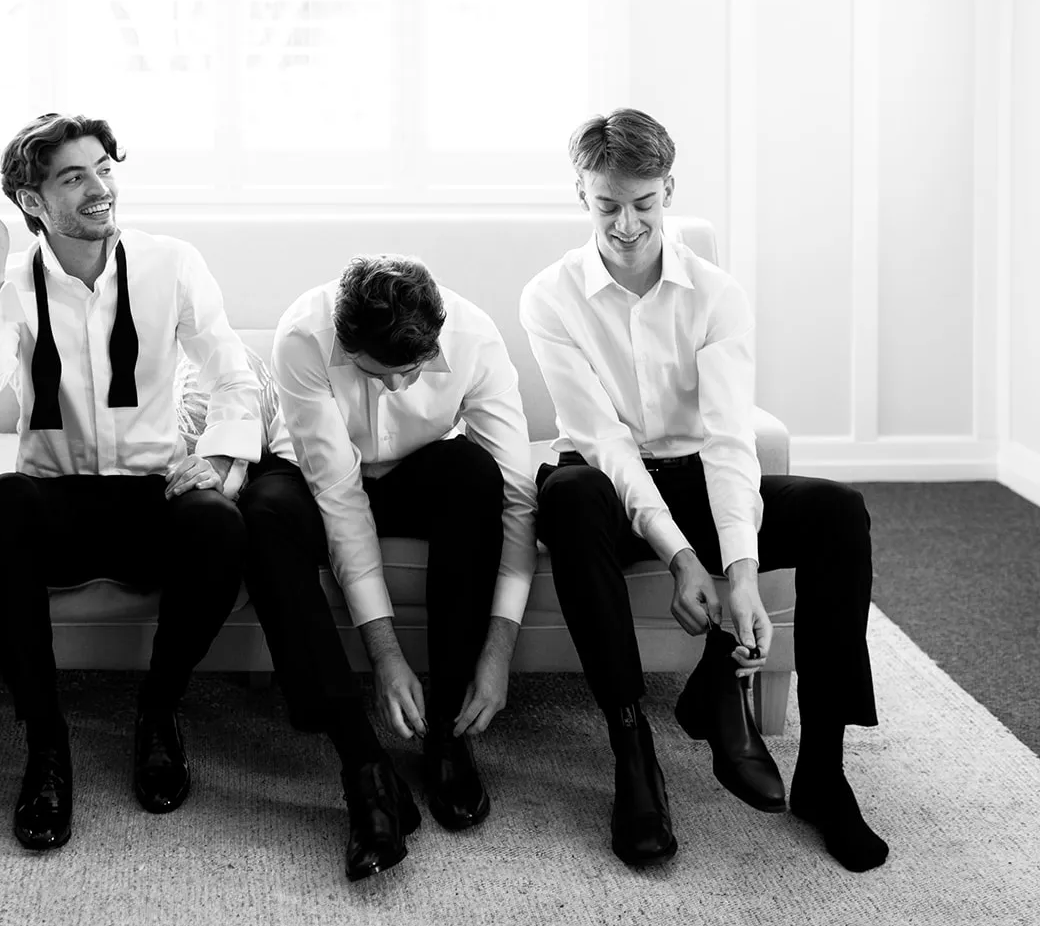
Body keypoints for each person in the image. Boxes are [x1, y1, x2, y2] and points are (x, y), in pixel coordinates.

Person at [520, 108, 887, 872]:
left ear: (669, 190)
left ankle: (822, 769)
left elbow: (728, 437)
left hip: (695, 473)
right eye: (606, 205)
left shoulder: (717, 294)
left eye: (643, 204)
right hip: (607, 488)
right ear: (580, 194)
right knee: (569, 493)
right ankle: (634, 755)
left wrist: (741, 571)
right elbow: (607, 441)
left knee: (837, 512)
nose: (625, 225)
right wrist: (687, 561)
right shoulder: (549, 297)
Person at [0, 113, 260, 852]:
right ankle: (46, 741)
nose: (99, 188)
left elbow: (230, 370)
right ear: (31, 201)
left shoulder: (171, 262)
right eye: (73, 177)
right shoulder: (4, 281)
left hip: (149, 493)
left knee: (220, 520)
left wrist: (220, 458)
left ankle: (158, 709)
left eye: (105, 168)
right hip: (57, 500)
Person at [239, 254, 539, 880]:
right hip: (315, 477)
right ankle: (363, 764)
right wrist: (385, 654)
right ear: (348, 352)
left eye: (416, 371)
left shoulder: (476, 338)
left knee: (477, 476)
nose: (401, 388)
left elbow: (518, 494)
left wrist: (501, 646)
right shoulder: (302, 337)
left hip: (419, 469)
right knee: (262, 515)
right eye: (382, 376)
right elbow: (340, 497)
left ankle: (448, 733)